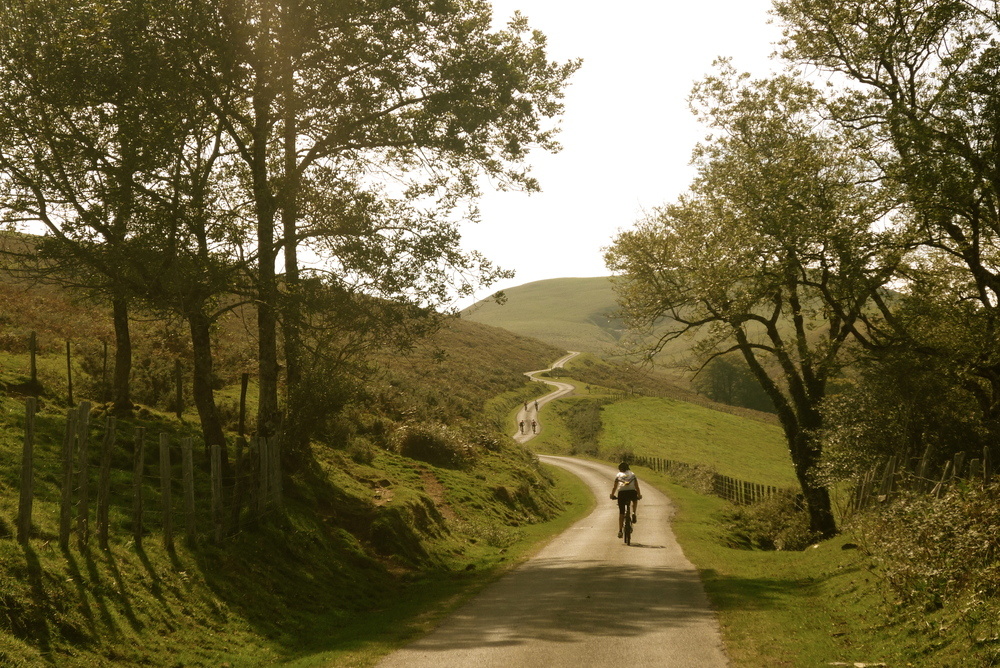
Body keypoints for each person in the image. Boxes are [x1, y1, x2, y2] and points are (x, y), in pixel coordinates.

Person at [610, 461, 641, 538]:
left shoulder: (618, 475)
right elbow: (636, 486)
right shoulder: (632, 474)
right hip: (632, 492)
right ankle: (634, 512)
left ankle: (620, 531)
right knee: (635, 499)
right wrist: (639, 495)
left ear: (620, 469)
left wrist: (612, 495)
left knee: (621, 512)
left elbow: (615, 487)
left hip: (622, 493)